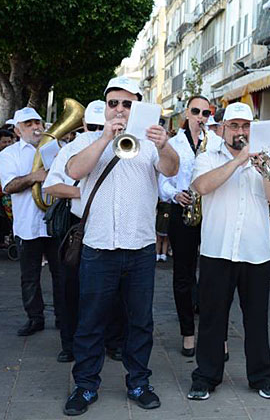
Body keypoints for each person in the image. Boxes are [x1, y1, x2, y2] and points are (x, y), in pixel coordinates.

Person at [62, 76, 179, 416]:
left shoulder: (150, 141)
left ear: (137, 107)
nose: (119, 109)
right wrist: (103, 138)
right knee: (91, 321)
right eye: (113, 103)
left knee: (140, 321)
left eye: (127, 104)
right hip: (99, 247)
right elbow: (73, 170)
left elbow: (171, 170)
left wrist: (166, 145)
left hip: (140, 247)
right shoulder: (87, 140)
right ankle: (85, 386)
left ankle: (139, 382)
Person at [187, 102, 270, 401]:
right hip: (218, 250)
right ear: (222, 129)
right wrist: (239, 160)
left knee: (256, 319)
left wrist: (266, 172)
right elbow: (201, 187)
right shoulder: (208, 157)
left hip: (255, 251)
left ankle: (262, 377)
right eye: (234, 126)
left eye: (245, 127)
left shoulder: (267, 157)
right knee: (213, 318)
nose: (240, 132)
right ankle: (205, 376)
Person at [43, 100, 126, 364]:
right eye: (95, 126)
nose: (101, 129)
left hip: (114, 224)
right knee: (72, 287)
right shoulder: (76, 146)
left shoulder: (124, 144)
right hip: (78, 225)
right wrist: (86, 193)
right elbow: (51, 186)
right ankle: (70, 343)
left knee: (116, 289)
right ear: (85, 126)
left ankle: (113, 341)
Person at [158, 95, 216, 357]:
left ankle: (212, 329)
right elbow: (162, 182)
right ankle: (187, 333)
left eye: (206, 113)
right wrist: (175, 194)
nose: (201, 117)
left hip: (213, 213)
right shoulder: (172, 143)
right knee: (183, 275)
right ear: (186, 113)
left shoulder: (214, 142)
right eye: (196, 111)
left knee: (213, 274)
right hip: (184, 214)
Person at [0, 108, 64, 337]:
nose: (36, 127)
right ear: (17, 130)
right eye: (28, 124)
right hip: (27, 224)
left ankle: (62, 316)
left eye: (37, 122)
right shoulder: (9, 154)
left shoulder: (56, 148)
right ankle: (35, 318)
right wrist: (33, 177)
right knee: (29, 276)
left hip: (54, 224)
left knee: (61, 274)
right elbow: (8, 186)